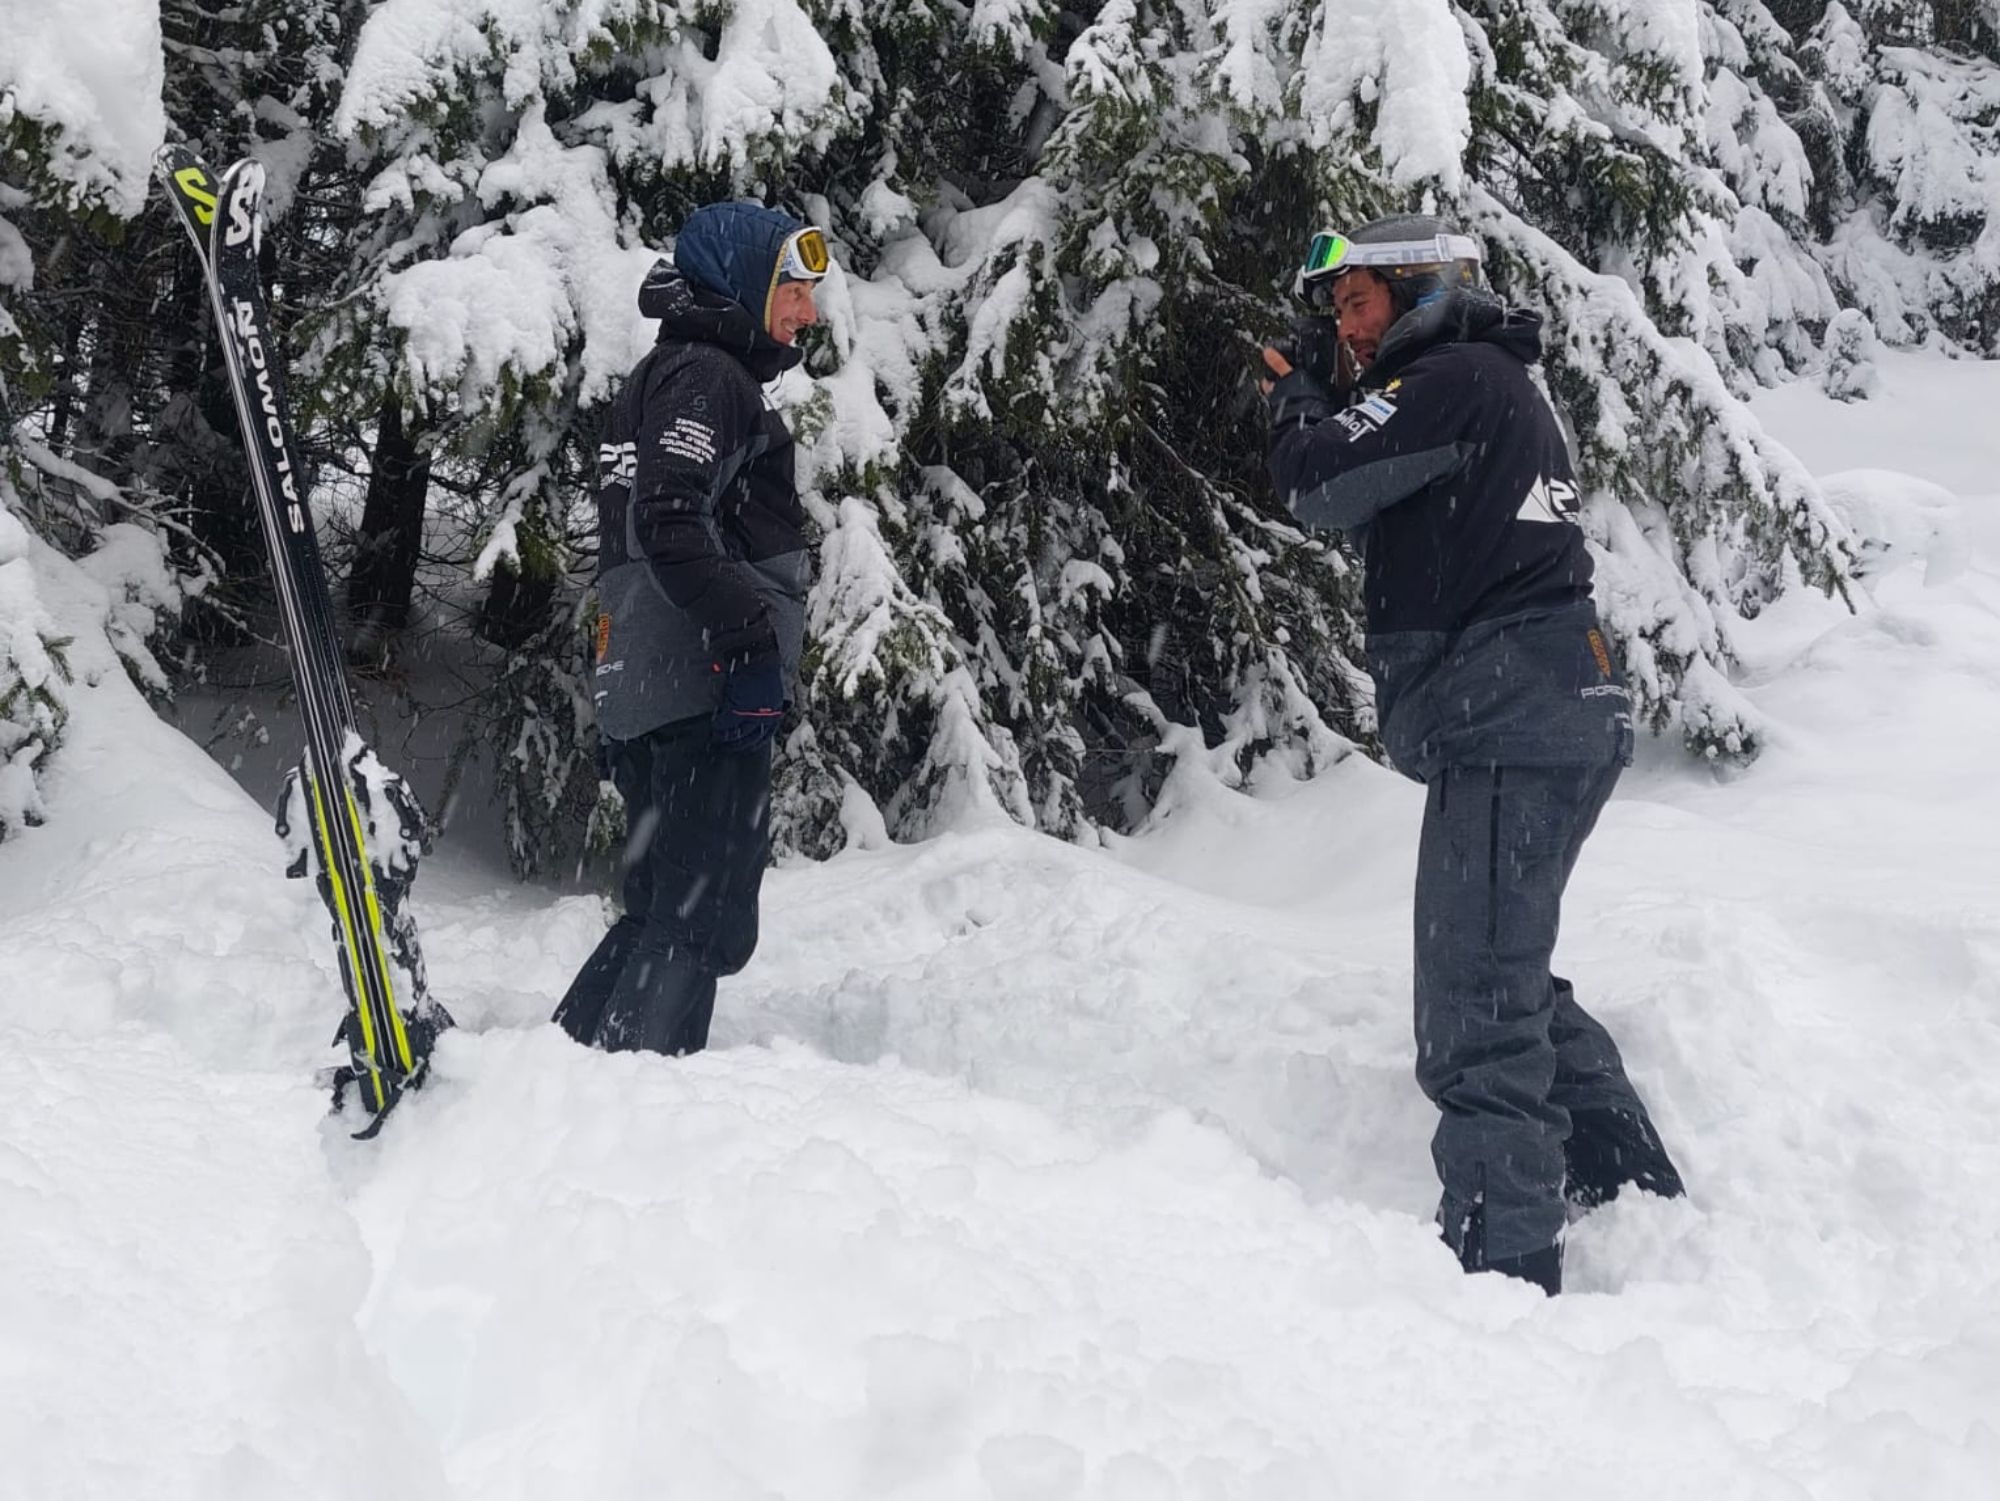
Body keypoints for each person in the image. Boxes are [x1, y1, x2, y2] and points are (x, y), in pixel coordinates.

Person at [1263, 216, 1685, 1295]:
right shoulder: (1483, 380)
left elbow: (1315, 482)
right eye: (1335, 311)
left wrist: (1299, 403)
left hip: (1513, 721)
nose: (1344, 328)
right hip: (1545, 709)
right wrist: (1337, 398)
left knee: (1472, 1012)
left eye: (1356, 303)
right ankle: (1630, 1184)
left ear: (1419, 290)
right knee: (1500, 973)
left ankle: (1502, 1272)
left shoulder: (1449, 374)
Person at [552, 202, 828, 1056]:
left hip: (657, 683)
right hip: (699, 687)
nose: (807, 312)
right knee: (702, 917)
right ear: (742, 281)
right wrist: (748, 645)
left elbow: (650, 524)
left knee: (663, 906)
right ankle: (632, 1105)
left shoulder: (677, 373)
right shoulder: (706, 378)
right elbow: (670, 519)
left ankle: (557, 1075)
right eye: (792, 287)